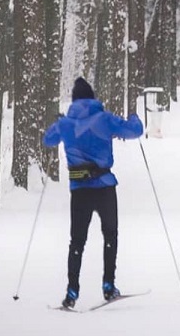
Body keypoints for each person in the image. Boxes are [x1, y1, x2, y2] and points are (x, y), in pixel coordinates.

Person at [43, 77, 144, 309]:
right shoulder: (105, 118)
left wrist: (57, 124)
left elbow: (48, 140)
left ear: (75, 100)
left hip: (80, 191)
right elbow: (135, 131)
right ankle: (109, 285)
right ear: (92, 97)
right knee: (110, 235)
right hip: (105, 186)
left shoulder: (66, 124)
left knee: (77, 241)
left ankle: (71, 291)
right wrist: (134, 116)